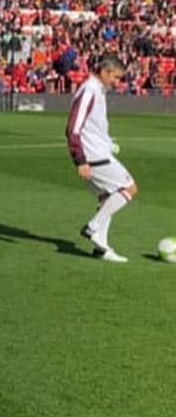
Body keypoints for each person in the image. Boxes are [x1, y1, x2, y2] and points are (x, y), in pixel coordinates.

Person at [66, 53, 139, 263]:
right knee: (129, 188)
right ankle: (93, 227)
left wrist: (108, 142)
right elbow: (73, 126)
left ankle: (102, 248)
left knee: (107, 197)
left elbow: (93, 125)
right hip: (93, 156)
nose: (117, 82)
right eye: (115, 77)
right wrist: (80, 159)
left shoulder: (97, 90)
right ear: (104, 72)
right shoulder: (89, 90)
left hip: (98, 152)